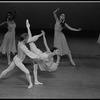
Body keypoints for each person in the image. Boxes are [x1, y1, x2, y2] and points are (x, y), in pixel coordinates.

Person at [26, 19, 60, 85]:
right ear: (54, 51)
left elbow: (50, 64)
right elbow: (45, 43)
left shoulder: (51, 55)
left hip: (36, 54)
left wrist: (57, 58)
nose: (58, 52)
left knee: (30, 41)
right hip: (36, 52)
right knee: (30, 41)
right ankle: (35, 81)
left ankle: (28, 27)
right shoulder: (50, 53)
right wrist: (44, 35)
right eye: (57, 51)